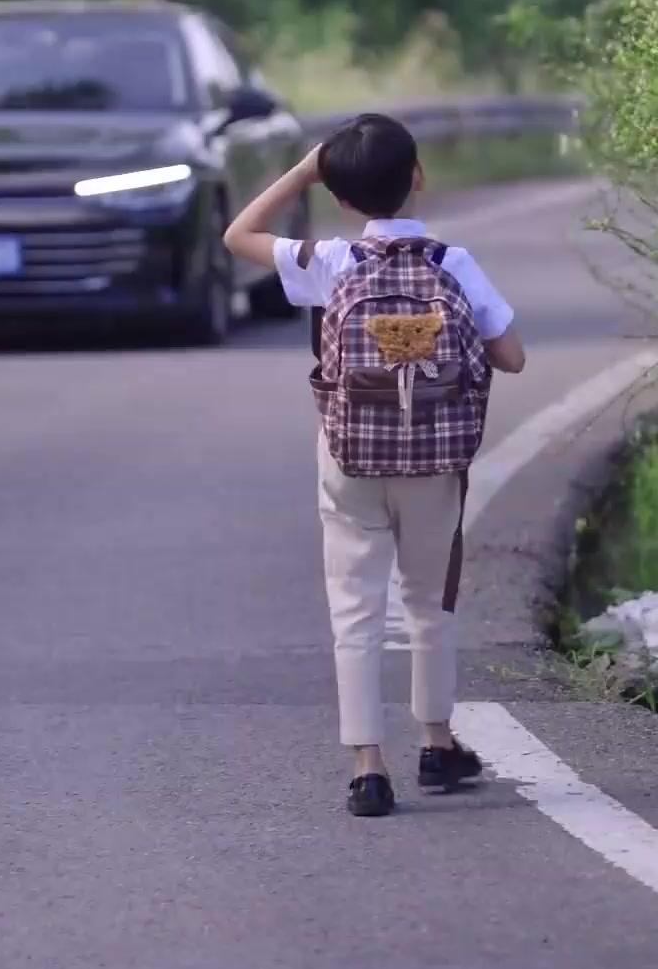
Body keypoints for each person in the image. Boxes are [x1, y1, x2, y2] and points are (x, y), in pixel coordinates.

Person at [224, 113, 525, 819]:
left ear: (339, 196)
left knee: (354, 606)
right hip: (435, 458)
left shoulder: (330, 262)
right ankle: (438, 743)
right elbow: (511, 357)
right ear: (418, 178)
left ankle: (368, 767)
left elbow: (237, 236)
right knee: (428, 603)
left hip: (350, 456)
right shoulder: (454, 264)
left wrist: (301, 171)